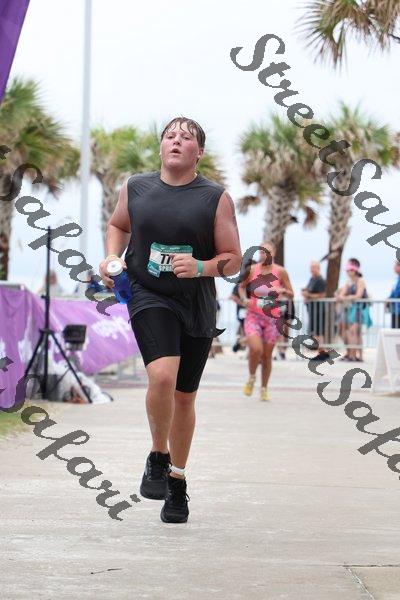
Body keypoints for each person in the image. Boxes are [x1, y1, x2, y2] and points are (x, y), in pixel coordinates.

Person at [99, 116, 242, 524]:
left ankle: (177, 481)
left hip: (195, 302)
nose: (177, 140)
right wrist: (112, 257)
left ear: (200, 152)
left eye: (187, 137)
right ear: (161, 147)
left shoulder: (215, 198)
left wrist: (200, 267)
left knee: (184, 397)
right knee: (162, 376)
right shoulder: (136, 187)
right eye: (170, 135)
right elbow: (118, 224)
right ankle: (158, 455)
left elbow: (233, 260)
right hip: (148, 294)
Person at [238, 241, 294, 401]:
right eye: (262, 252)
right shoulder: (252, 270)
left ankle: (264, 388)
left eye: (268, 252)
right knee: (256, 349)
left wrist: (282, 290)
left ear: (274, 253)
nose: (265, 255)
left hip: (272, 318)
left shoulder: (281, 271)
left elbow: (291, 293)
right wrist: (244, 299)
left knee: (267, 356)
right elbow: (241, 287)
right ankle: (251, 377)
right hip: (253, 315)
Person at [335, 258, 371, 362]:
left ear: (355, 270)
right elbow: (341, 294)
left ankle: (356, 355)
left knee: (354, 332)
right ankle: (351, 354)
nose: (348, 272)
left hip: (359, 310)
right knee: (349, 332)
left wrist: (346, 297)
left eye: (350, 270)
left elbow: (358, 295)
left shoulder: (360, 281)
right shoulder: (349, 282)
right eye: (347, 270)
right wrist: (344, 296)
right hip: (350, 310)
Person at [301, 260, 329, 361]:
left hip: (319, 310)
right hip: (312, 309)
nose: (312, 270)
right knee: (315, 332)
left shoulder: (320, 280)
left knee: (318, 332)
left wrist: (309, 295)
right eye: (311, 267)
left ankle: (322, 353)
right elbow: (309, 291)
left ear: (318, 268)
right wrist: (305, 293)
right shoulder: (312, 279)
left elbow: (322, 295)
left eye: (313, 267)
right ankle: (321, 352)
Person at [388, 260, 400, 328]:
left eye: (396, 265)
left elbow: (397, 293)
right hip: (395, 309)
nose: (394, 267)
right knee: (395, 330)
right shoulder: (397, 279)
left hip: (398, 309)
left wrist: (389, 299)